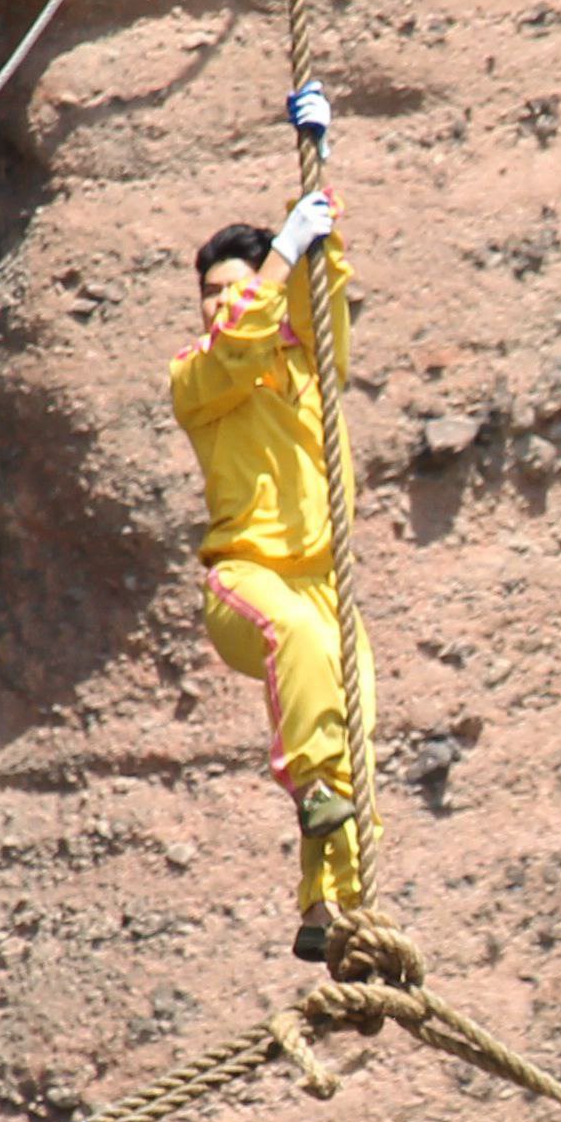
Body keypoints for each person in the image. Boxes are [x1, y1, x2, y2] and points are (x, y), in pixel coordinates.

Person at [168, 186, 370, 958]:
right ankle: (311, 785)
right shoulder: (199, 377)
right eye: (209, 294)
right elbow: (241, 343)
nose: (221, 304)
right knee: (296, 640)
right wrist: (281, 251)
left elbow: (327, 300)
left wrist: (321, 226)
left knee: (360, 737)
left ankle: (335, 917)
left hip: (324, 585)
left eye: (235, 288)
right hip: (248, 577)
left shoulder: (308, 361)